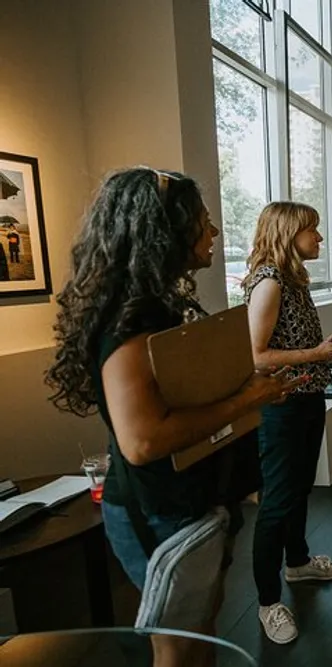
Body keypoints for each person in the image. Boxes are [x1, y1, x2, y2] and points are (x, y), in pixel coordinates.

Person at [45, 168, 295, 666]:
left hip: (190, 498)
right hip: (155, 507)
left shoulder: (157, 309)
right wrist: (249, 400)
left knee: (202, 629)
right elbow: (142, 441)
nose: (214, 232)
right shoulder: (132, 321)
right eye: (203, 221)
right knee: (178, 648)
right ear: (166, 230)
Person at [244, 202, 332, 644]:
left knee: (298, 489)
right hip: (282, 404)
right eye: (313, 231)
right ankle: (269, 603)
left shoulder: (292, 279)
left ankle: (298, 561)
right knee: (276, 502)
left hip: (306, 397)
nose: (319, 239)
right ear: (291, 233)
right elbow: (255, 356)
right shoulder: (269, 283)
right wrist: (316, 355)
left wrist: (319, 354)